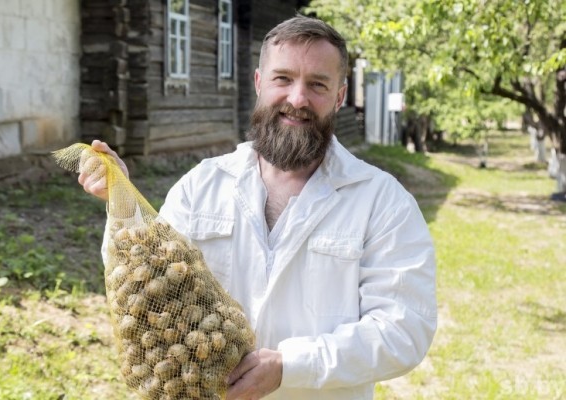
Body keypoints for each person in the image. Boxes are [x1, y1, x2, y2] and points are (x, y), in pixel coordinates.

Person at [79, 14, 437, 400]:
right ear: (258, 83)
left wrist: (290, 366)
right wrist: (123, 202)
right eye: (283, 78)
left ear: (339, 96)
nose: (297, 99)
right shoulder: (202, 185)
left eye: (317, 84)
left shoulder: (383, 202)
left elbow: (404, 329)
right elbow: (145, 280)